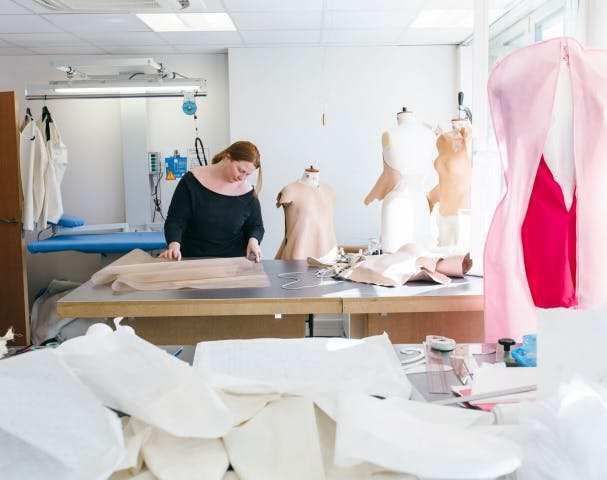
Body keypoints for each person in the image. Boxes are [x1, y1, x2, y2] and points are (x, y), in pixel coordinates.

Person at [160, 141, 264, 262]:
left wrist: (253, 240)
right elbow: (176, 220)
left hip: (233, 264)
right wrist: (174, 244)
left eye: (247, 174)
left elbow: (256, 226)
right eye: (240, 170)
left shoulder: (248, 193)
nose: (242, 177)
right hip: (193, 260)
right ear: (227, 157)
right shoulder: (191, 182)